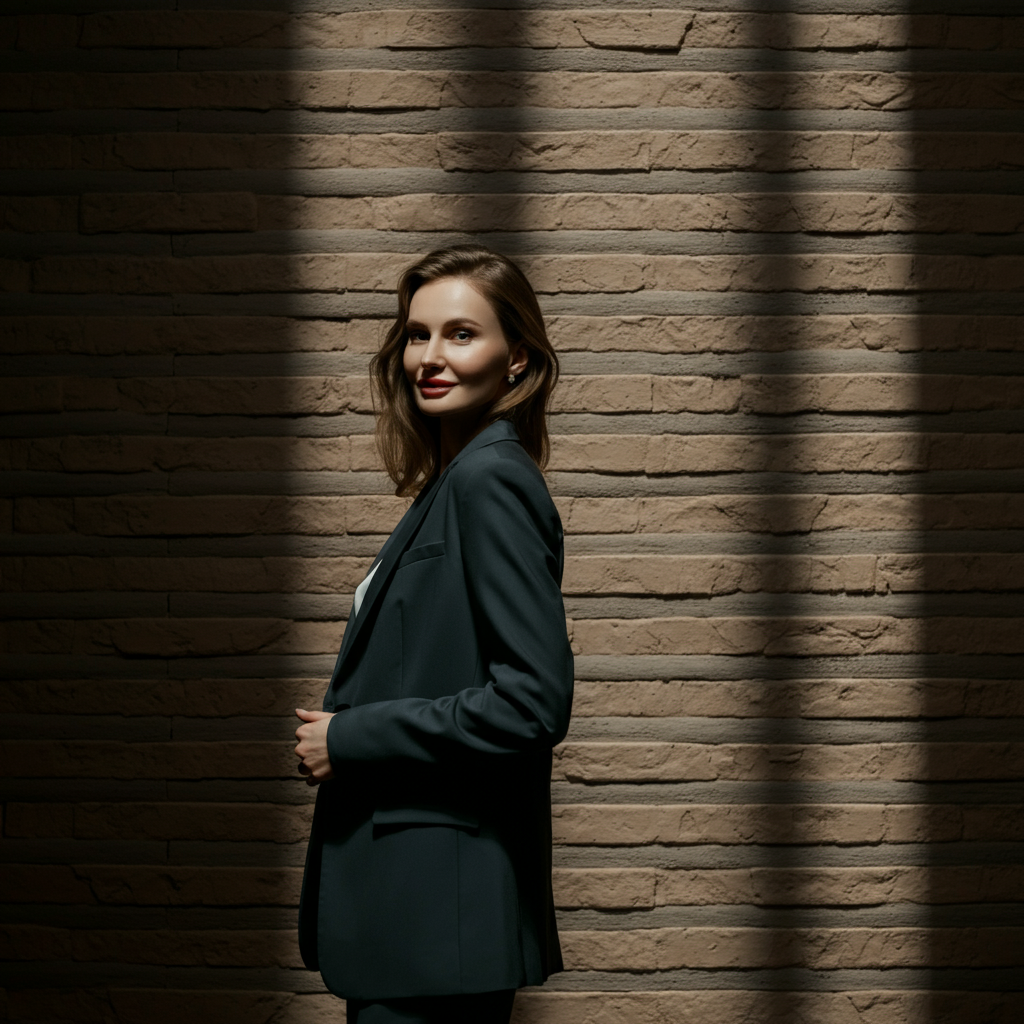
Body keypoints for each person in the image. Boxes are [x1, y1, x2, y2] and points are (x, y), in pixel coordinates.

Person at [293, 245, 575, 1024]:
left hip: (438, 912)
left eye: (461, 334)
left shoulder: (491, 482)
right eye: (418, 335)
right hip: (412, 912)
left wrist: (352, 737)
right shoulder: (451, 486)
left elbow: (533, 704)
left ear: (516, 356)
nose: (431, 357)